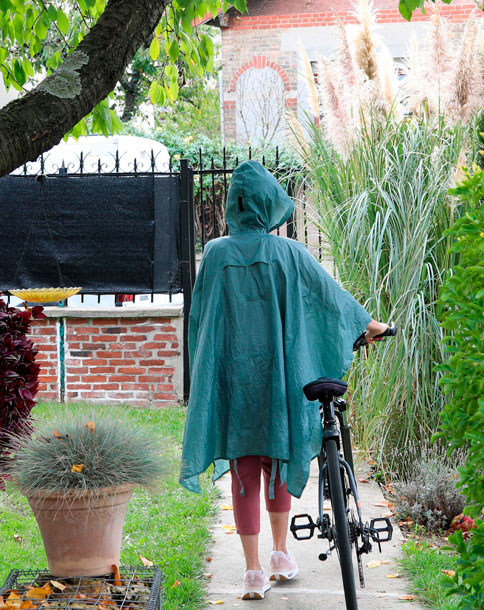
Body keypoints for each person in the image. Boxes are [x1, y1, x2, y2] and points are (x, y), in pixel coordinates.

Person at [180, 161, 388, 600]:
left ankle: (252, 571)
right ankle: (279, 553)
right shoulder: (290, 252)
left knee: (243, 470)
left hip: (233, 383)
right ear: (269, 205)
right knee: (277, 461)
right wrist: (370, 325)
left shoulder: (215, 254)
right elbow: (330, 299)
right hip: (279, 382)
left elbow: (199, 319)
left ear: (234, 205)